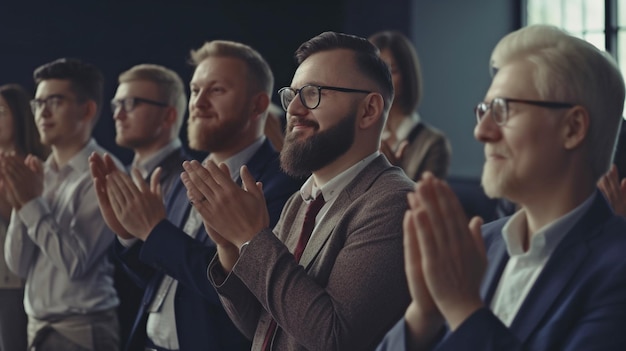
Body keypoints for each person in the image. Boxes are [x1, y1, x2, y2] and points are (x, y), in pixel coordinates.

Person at [377, 24, 626, 351]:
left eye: (503, 110)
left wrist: (463, 308)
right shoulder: (481, 244)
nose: (481, 131)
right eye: (484, 111)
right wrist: (423, 314)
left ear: (573, 128)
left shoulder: (617, 268)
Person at [180, 31, 412, 350]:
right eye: (293, 95)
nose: (293, 110)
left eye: (314, 93)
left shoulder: (393, 202)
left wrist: (251, 238)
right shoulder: (299, 200)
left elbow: (334, 337)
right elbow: (264, 325)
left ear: (369, 110)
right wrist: (231, 247)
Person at [90, 40, 303, 351]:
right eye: (195, 90)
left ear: (257, 105)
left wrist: (153, 231)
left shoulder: (281, 185)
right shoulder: (183, 174)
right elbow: (158, 278)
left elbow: (241, 294)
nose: (198, 102)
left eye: (216, 90)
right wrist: (130, 235)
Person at [3, 58, 121, 350]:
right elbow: (17, 265)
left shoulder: (105, 172)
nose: (42, 112)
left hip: (81, 331)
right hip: (37, 329)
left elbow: (74, 264)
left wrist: (30, 201)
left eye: (54, 101)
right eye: (37, 103)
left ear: (88, 109)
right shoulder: (42, 172)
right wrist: (23, 201)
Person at [110, 63, 190, 346]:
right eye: (116, 104)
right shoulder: (119, 175)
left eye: (131, 103)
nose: (118, 114)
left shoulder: (188, 178)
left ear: (169, 115)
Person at [0, 84, 49, 351]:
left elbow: (27, 220)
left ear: (19, 116)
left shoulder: (34, 165)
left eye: (1, 111)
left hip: (14, 282)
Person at [369, 30, 451, 180]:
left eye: (391, 71)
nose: (381, 80)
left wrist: (394, 174)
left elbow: (427, 201)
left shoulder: (432, 143)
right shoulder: (362, 134)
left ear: (407, 75)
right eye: (374, 71)